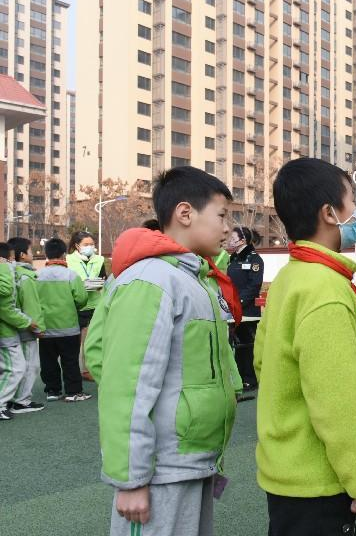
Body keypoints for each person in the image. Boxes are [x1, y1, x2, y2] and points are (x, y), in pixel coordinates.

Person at [84, 166, 237, 536]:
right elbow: (127, 384)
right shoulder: (152, 280)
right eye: (222, 215)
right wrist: (131, 478)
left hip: (192, 458)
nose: (228, 227)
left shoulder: (194, 278)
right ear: (185, 213)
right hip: (160, 468)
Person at [254, 158, 356, 535]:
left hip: (288, 472)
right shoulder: (326, 290)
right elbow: (337, 401)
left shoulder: (288, 279)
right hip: (320, 481)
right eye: (352, 204)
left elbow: (263, 362)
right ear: (330, 214)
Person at [36, 238, 90, 403]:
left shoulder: (37, 276)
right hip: (68, 327)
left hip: (45, 327)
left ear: (46, 254)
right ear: (63, 254)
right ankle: (73, 392)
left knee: (48, 361)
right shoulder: (71, 275)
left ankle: (53, 390)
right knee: (70, 361)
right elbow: (81, 299)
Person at [0, 242, 39, 421]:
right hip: (7, 333)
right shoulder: (7, 275)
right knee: (16, 368)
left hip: (9, 331)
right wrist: (28, 322)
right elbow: (7, 307)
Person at [7, 237, 46, 413]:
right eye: (30, 251)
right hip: (27, 327)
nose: (33, 254)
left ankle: (12, 398)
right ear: (22, 255)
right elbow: (31, 306)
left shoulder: (12, 273)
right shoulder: (26, 276)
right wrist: (37, 328)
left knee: (16, 365)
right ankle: (22, 401)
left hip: (16, 326)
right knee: (31, 364)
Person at [227, 226, 264, 391]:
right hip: (233, 309)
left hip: (247, 310)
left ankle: (250, 378)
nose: (230, 240)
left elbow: (254, 285)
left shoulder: (254, 259)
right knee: (235, 345)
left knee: (247, 345)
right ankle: (239, 377)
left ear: (242, 240)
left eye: (233, 237)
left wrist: (239, 302)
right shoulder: (233, 258)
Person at [67, 230, 106, 381]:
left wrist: (99, 284)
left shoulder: (100, 259)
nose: (90, 247)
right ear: (77, 246)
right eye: (86, 244)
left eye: (92, 244)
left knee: (89, 340)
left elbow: (103, 278)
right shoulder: (69, 260)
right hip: (76, 304)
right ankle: (74, 370)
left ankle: (87, 370)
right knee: (74, 341)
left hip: (95, 303)